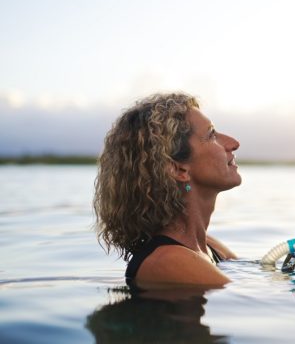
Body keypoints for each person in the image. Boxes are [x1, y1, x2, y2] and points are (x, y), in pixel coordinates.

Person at [94, 92, 240, 289]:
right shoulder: (168, 260)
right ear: (179, 169)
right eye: (211, 134)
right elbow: (254, 304)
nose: (233, 143)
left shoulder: (210, 247)